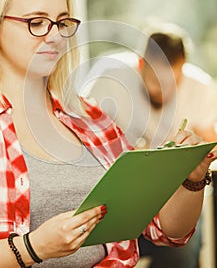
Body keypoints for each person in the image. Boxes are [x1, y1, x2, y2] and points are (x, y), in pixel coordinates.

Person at [0, 0, 216, 268]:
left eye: (62, 22)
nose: (54, 36)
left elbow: (163, 229)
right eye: (36, 22)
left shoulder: (90, 118)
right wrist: (33, 247)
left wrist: (192, 180)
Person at [81, 26, 217, 267]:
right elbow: (87, 145)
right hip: (123, 193)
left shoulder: (200, 87)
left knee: (183, 248)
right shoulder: (109, 81)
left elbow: (211, 144)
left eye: (172, 81)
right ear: (140, 65)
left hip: (175, 192)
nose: (163, 90)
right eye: (156, 80)